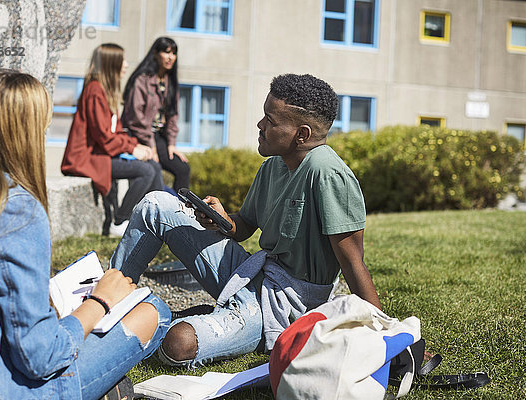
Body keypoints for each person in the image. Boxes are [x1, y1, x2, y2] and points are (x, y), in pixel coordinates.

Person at [109, 73, 381, 368]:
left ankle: (183, 319)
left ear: (301, 134)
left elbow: (353, 263)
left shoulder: (326, 172)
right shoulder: (273, 167)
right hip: (253, 273)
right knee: (155, 204)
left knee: (179, 343)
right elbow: (245, 226)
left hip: (282, 307)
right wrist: (222, 220)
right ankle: (109, 302)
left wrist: (384, 335)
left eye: (270, 120)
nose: (260, 125)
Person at [0, 69, 171, 399]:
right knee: (154, 311)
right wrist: (100, 301)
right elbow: (39, 356)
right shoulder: (16, 209)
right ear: (26, 134)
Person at [61, 43, 164, 237]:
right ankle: (120, 221)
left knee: (154, 166)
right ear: (111, 64)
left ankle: (158, 220)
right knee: (145, 171)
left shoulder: (106, 91)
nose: (126, 65)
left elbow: (115, 132)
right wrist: (132, 150)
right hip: (88, 157)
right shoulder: (95, 91)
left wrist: (136, 146)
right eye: (122, 61)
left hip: (102, 153)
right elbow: (103, 137)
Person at [122, 36, 190, 192]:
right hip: (138, 135)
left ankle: (180, 211)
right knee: (155, 169)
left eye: (173, 53)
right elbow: (135, 118)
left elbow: (173, 116)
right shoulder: (142, 80)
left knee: (183, 168)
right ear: (155, 54)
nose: (170, 57)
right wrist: (151, 147)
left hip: (158, 137)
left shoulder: (170, 82)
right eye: (166, 52)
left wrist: (171, 144)